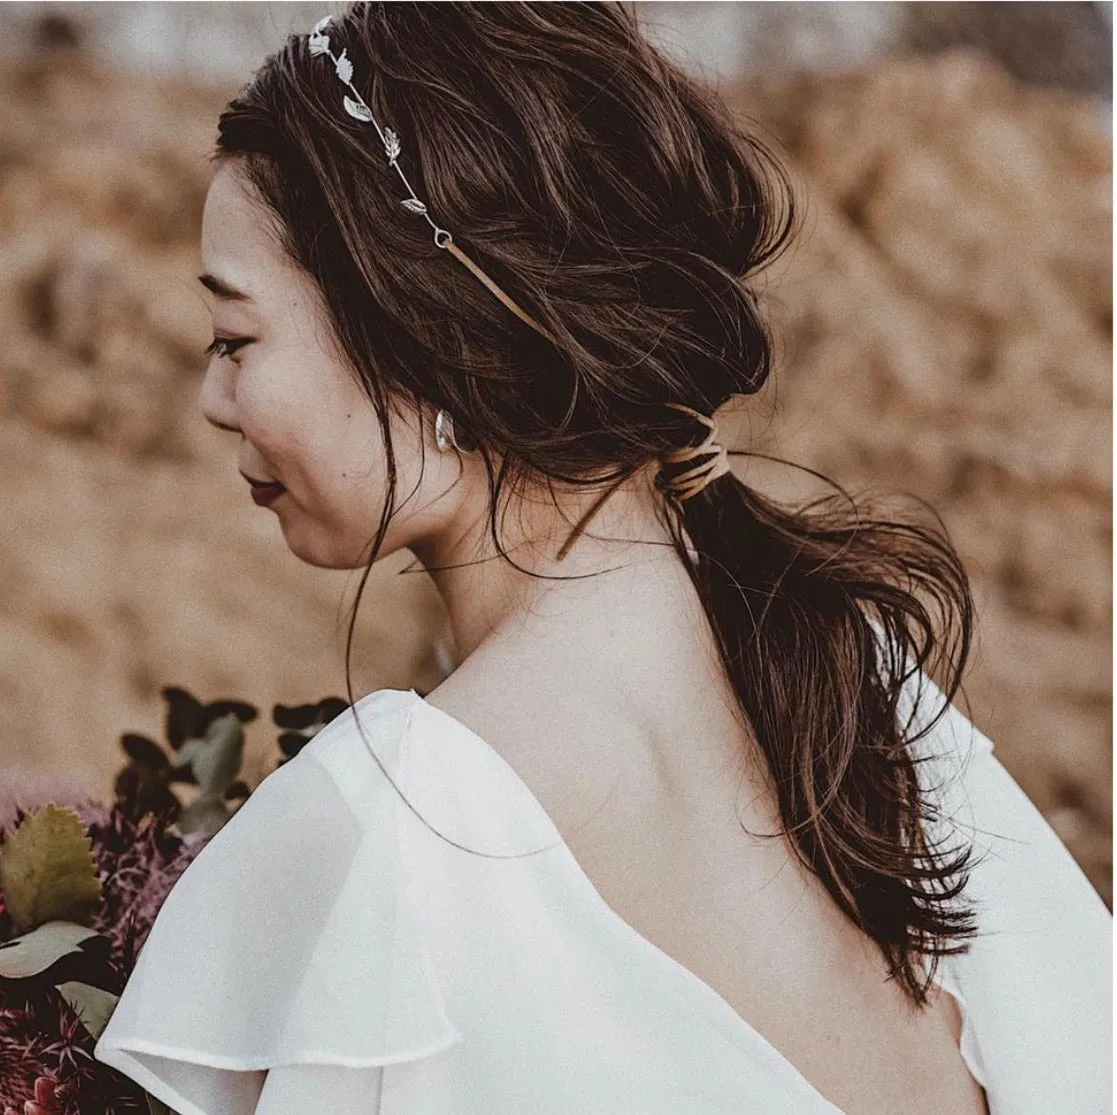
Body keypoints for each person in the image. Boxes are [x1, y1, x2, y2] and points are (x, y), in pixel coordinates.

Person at [94, 4, 1110, 1113]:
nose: (212, 400)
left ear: (420, 335)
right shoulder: (861, 690)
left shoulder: (392, 825)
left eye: (237, 339)